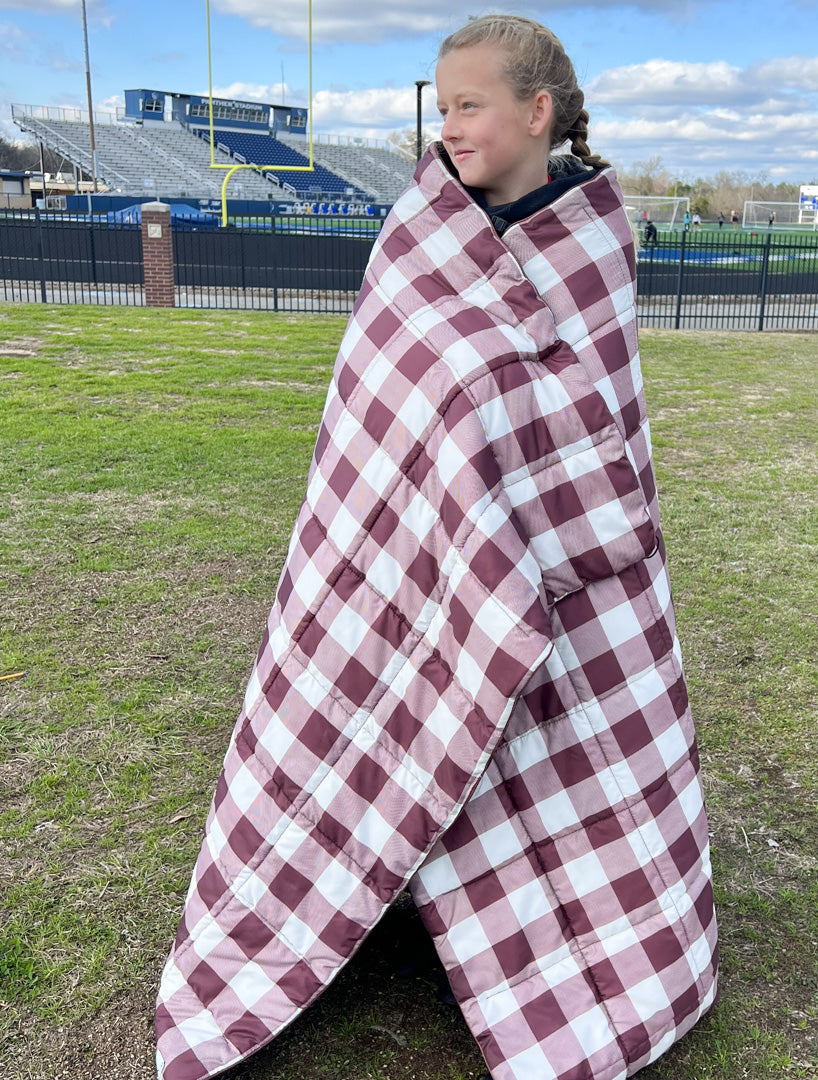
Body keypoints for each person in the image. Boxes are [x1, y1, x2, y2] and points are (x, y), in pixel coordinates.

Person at [155, 14, 718, 1080]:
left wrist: (503, 450)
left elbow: (595, 415)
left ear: (537, 112)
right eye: (442, 105)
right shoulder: (419, 235)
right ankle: (369, 892)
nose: (448, 127)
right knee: (400, 705)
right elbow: (382, 391)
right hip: (409, 549)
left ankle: (585, 953)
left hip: (560, 562)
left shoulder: (594, 244)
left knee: (547, 743)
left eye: (470, 106)